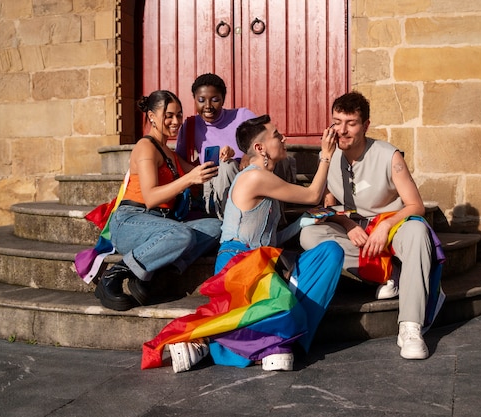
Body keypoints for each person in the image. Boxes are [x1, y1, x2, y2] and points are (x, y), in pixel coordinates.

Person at [141, 115, 343, 372]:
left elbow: (271, 241)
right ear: (260, 148)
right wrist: (326, 154)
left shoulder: (267, 179)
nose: (283, 138)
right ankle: (219, 341)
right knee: (285, 311)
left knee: (331, 252)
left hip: (262, 261)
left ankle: (278, 338)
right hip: (238, 265)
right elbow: (313, 194)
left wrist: (301, 223)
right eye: (276, 135)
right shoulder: (254, 177)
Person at [299, 91, 445, 360]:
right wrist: (346, 223)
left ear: (365, 125)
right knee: (309, 234)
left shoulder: (389, 156)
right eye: (336, 121)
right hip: (356, 230)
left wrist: (386, 224)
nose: (342, 130)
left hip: (391, 228)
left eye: (351, 123)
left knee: (418, 231)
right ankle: (388, 273)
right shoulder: (330, 156)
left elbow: (416, 206)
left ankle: (411, 327)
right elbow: (325, 205)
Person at [95, 90, 223, 311]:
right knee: (181, 234)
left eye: (179, 115)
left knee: (217, 227)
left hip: (162, 224)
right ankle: (114, 275)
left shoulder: (169, 152)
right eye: (169, 115)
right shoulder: (146, 147)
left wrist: (223, 160)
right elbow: (151, 197)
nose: (176, 121)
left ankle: (159, 274)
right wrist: (188, 179)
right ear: (152, 116)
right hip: (132, 222)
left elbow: (198, 174)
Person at [175, 73, 296, 219]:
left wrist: (248, 155)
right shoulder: (191, 125)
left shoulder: (242, 115)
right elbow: (178, 160)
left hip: (251, 178)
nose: (208, 106)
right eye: (201, 100)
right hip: (217, 185)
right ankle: (231, 222)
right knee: (226, 166)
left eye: (215, 100)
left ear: (223, 99)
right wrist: (205, 169)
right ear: (194, 99)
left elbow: (271, 141)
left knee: (274, 157)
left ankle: (275, 218)